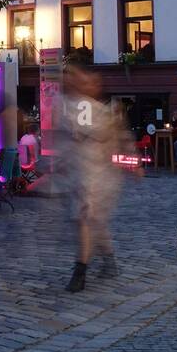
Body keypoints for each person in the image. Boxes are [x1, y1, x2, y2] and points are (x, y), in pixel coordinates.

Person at [57, 64, 123, 293]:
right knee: (94, 222)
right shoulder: (65, 104)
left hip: (91, 175)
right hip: (78, 173)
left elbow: (106, 135)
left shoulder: (87, 106)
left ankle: (80, 272)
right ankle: (109, 260)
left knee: (85, 220)